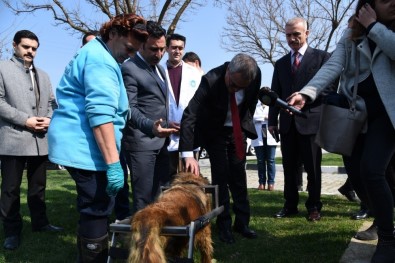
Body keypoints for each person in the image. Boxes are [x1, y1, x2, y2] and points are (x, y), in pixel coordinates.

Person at [288, 1, 395, 260]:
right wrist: (307, 92)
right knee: (357, 177)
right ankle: (381, 219)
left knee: (372, 169)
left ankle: (388, 240)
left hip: (388, 114)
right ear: (367, 5)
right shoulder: (350, 34)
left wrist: (374, 27)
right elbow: (333, 65)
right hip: (355, 113)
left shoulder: (383, 30)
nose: (392, 2)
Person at [48, 14, 148, 261]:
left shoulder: (99, 54)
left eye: (135, 51)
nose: (130, 55)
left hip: (86, 147)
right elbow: (100, 115)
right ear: (112, 34)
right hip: (86, 149)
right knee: (96, 207)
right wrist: (114, 164)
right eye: (128, 48)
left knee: (95, 208)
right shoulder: (100, 61)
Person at [179, 53, 261, 244]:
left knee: (239, 177)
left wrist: (243, 122)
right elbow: (190, 115)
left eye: (240, 87)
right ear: (228, 71)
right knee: (221, 178)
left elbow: (251, 101)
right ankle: (224, 225)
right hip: (214, 133)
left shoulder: (254, 76)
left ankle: (242, 223)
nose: (235, 90)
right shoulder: (210, 80)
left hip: (236, 131)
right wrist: (187, 154)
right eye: (232, 85)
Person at [0, 30, 63, 251]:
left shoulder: (44, 75)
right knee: (10, 189)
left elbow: (53, 104)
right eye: (26, 47)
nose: (30, 52)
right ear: (15, 45)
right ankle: (11, 231)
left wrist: (48, 119)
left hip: (40, 139)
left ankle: (41, 223)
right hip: (13, 138)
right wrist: (25, 119)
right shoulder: (2, 68)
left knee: (38, 187)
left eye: (34, 48)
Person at [268, 17, 335, 222]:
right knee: (289, 168)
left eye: (296, 34)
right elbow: (274, 95)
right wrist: (272, 121)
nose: (292, 39)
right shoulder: (280, 64)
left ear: (307, 33)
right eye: (288, 35)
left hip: (311, 122)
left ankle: (314, 206)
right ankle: (290, 205)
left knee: (313, 169)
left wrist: (306, 98)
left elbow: (330, 89)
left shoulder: (322, 58)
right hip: (287, 125)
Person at [121, 21, 177, 214]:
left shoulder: (160, 69)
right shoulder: (129, 69)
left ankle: (158, 235)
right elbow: (130, 109)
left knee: (160, 194)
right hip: (141, 144)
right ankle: (142, 239)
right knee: (143, 198)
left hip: (161, 142)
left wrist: (170, 124)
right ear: (141, 44)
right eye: (154, 49)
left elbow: (157, 104)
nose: (159, 54)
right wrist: (150, 127)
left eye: (162, 49)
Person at [164, 33, 202, 176]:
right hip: (167, 132)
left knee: (190, 178)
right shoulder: (159, 71)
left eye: (180, 48)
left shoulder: (194, 74)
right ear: (167, 48)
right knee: (169, 178)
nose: (177, 51)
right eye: (174, 47)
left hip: (190, 132)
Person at [251, 99, 279, 191]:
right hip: (259, 134)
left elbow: (277, 117)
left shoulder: (273, 105)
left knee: (271, 160)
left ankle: (271, 183)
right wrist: (265, 117)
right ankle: (261, 183)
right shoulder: (255, 105)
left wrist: (266, 118)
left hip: (270, 135)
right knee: (260, 160)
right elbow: (252, 117)